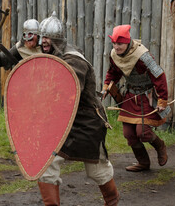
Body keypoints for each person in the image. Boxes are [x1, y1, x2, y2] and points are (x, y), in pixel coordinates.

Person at [37, 12, 119, 206]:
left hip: (87, 122)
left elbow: (67, 93)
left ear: (57, 39)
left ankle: (112, 201)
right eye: (42, 36)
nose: (43, 41)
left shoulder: (74, 61)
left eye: (47, 37)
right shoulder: (49, 57)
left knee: (97, 170)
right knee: (47, 165)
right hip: (62, 122)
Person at [102, 24, 168, 172]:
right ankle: (143, 162)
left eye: (119, 43)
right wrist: (107, 86)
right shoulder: (114, 55)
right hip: (130, 96)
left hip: (146, 97)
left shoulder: (142, 55)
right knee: (129, 134)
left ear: (127, 42)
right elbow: (113, 73)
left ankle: (160, 146)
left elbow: (159, 76)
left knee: (143, 132)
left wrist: (163, 99)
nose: (116, 47)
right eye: (114, 43)